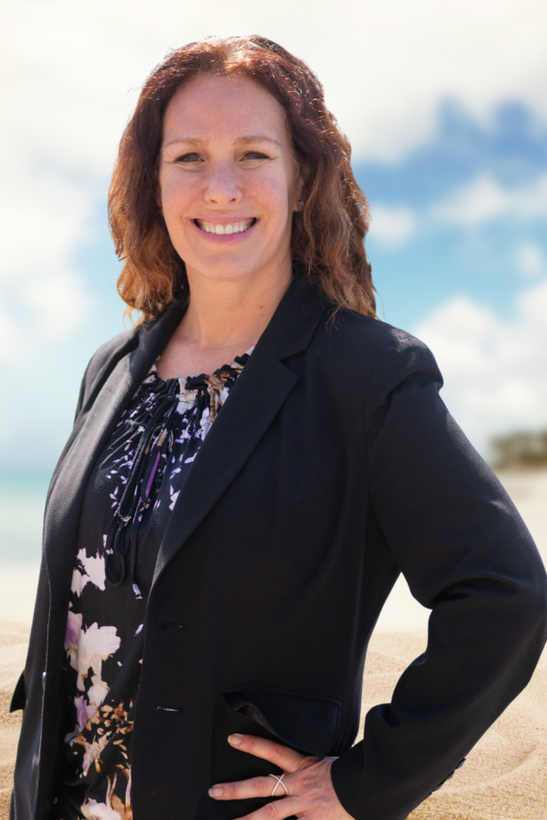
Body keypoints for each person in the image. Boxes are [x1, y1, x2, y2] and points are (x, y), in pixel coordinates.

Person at [10, 35, 547, 820]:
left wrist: (369, 780)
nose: (220, 186)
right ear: (152, 184)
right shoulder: (111, 367)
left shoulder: (366, 374)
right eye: (188, 156)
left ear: (301, 180)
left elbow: (503, 596)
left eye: (253, 154)